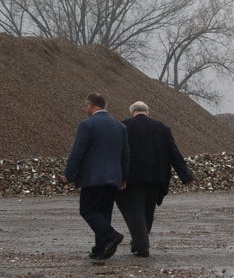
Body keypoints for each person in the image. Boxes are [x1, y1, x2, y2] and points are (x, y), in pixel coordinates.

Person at [115, 100, 194, 257]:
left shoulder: (122, 127)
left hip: (132, 177)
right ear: (147, 112)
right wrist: (186, 176)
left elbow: (115, 152)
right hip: (156, 178)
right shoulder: (162, 128)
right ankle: (140, 240)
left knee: (135, 211)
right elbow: (174, 153)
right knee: (147, 211)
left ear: (132, 112)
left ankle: (142, 245)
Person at [60, 92, 129, 260]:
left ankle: (111, 236)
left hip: (93, 178)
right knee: (103, 214)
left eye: (86, 106)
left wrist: (68, 174)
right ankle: (100, 250)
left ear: (91, 105)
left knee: (88, 210)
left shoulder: (87, 125)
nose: (86, 109)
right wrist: (124, 178)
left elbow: (78, 151)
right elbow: (125, 154)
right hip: (114, 178)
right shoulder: (120, 127)